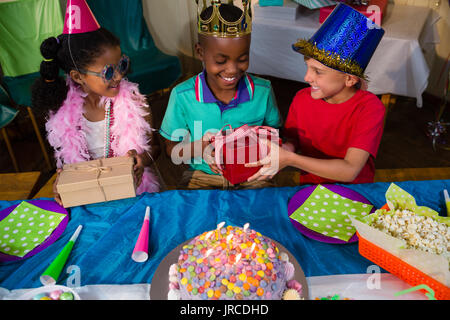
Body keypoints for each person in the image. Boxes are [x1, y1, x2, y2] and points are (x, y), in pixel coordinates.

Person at [31, 0, 160, 205]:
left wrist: (141, 160)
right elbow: (66, 162)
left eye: (122, 65)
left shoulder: (135, 103)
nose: (118, 76)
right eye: (108, 72)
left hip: (132, 193)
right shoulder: (60, 110)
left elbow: (155, 148)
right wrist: (62, 183)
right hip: (87, 196)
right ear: (77, 76)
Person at [246, 3, 386, 185]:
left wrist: (290, 159)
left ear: (350, 80)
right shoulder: (302, 99)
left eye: (318, 72)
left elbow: (350, 171)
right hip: (310, 186)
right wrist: (285, 150)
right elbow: (294, 140)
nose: (306, 77)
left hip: (355, 190)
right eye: (307, 68)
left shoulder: (369, 108)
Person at [159, 0, 282, 189]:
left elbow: (276, 135)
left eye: (242, 59)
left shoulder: (263, 91)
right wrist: (199, 148)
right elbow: (171, 151)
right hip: (202, 176)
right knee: (194, 216)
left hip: (253, 175)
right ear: (200, 52)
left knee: (266, 214)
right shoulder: (182, 96)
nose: (232, 70)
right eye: (220, 61)